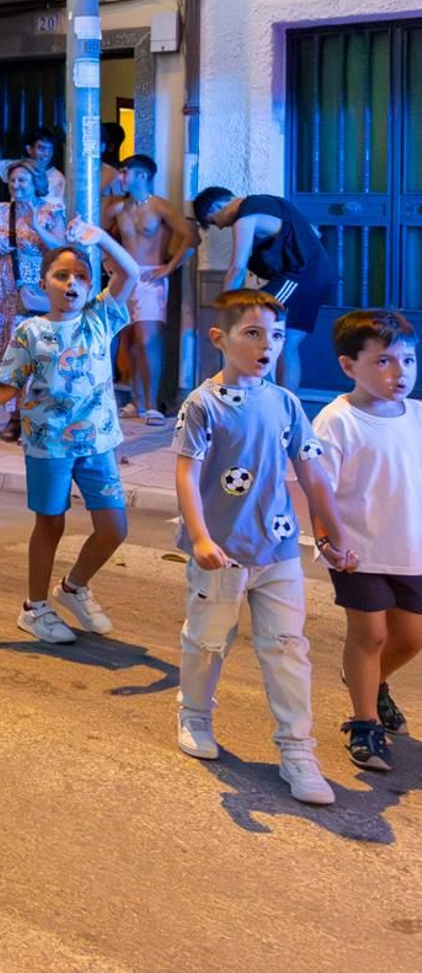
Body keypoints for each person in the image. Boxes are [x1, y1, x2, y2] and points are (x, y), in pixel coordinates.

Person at [171, 289, 356, 806]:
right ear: (220, 338)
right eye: (252, 333)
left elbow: (312, 475)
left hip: (278, 550)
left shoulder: (285, 403)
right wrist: (201, 537)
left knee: (288, 649)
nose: (267, 345)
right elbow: (185, 474)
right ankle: (194, 715)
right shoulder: (203, 404)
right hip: (221, 552)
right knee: (207, 641)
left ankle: (297, 750)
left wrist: (333, 535)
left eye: (275, 335)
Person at [0, 229, 141, 644]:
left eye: (81, 276)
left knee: (114, 528)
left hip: (98, 445)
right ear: (43, 283)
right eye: (61, 275)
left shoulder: (99, 319)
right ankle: (35, 608)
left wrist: (100, 237)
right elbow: (5, 388)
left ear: (90, 285)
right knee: (50, 525)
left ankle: (73, 587)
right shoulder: (30, 332)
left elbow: (130, 272)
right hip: (48, 444)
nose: (72, 283)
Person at [311, 310, 420, 772]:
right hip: (356, 551)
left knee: (411, 638)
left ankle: (370, 682)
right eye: (384, 361)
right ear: (348, 365)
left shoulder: (417, 416)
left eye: (408, 361)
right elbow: (318, 490)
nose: (400, 373)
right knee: (370, 635)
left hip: (411, 548)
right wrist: (326, 542)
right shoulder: (336, 421)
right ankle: (364, 723)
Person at [192, 186, 336, 391]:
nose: (221, 228)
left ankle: (257, 394)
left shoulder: (245, 216)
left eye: (213, 222)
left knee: (253, 318)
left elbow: (237, 267)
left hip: (300, 276)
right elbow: (314, 232)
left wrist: (225, 306)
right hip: (319, 277)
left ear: (216, 207)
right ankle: (284, 404)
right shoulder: (274, 202)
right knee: (287, 344)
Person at [0, 160, 68, 441]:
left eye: (22, 180)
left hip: (35, 288)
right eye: (12, 180)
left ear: (35, 183)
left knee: (35, 347)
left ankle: (34, 415)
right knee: (9, 348)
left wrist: (36, 225)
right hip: (2, 288)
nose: (16, 185)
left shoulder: (49, 211)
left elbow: (62, 248)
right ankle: (14, 415)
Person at [103, 154, 196, 424]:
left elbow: (191, 237)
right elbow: (95, 231)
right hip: (124, 277)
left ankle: (153, 405)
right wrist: (108, 260)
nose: (121, 177)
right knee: (127, 341)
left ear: (142, 175)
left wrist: (169, 268)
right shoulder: (118, 207)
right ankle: (137, 401)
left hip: (149, 277)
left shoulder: (159, 206)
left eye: (125, 172)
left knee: (147, 338)